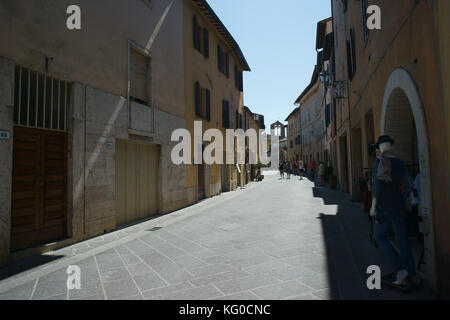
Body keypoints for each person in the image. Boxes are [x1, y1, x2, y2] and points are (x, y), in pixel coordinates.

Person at [370, 135, 420, 290]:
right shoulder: (399, 162)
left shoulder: (379, 162)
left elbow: (376, 187)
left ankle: (399, 271)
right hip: (398, 206)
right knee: (402, 238)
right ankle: (411, 272)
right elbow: (408, 184)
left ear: (380, 147)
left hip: (384, 207)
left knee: (378, 235)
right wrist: (402, 199)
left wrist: (373, 206)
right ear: (390, 145)